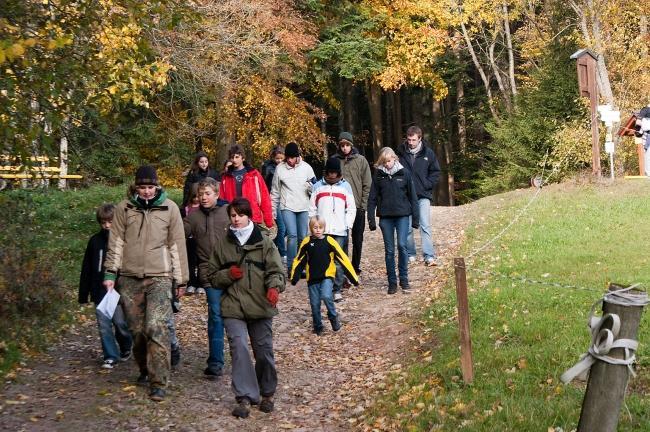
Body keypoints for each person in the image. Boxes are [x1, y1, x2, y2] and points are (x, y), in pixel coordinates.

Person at [103, 165, 188, 402]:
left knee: (156, 327)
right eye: (142, 187)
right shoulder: (124, 208)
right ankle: (144, 369)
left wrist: (181, 280)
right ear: (135, 187)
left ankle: (159, 381)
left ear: (157, 186)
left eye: (150, 187)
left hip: (160, 276)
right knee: (137, 331)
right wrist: (110, 273)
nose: (147, 192)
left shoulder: (170, 209)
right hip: (129, 278)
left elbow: (176, 245)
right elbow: (116, 243)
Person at [207, 198, 285, 418]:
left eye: (240, 215)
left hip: (261, 304)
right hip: (233, 305)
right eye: (232, 215)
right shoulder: (223, 244)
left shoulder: (264, 242)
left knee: (264, 351)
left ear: (248, 215)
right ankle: (244, 396)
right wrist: (227, 275)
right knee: (239, 348)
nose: (236, 219)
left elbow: (277, 272)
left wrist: (274, 289)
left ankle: (267, 391)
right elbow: (211, 276)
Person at [184, 177, 230, 380]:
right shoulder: (193, 218)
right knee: (216, 315)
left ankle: (240, 355)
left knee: (236, 316)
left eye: (207, 194)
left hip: (232, 272)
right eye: (200, 194)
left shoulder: (229, 212)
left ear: (217, 194)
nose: (203, 197)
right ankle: (216, 362)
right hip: (208, 273)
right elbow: (177, 235)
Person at [78, 203, 133, 369]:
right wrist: (83, 293)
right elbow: (87, 267)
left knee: (121, 323)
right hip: (99, 290)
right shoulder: (94, 241)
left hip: (119, 289)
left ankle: (126, 345)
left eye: (110, 222)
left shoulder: (125, 241)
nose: (107, 226)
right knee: (104, 325)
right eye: (103, 222)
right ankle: (110, 355)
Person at [290, 216, 358, 335]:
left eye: (320, 227)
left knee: (326, 296)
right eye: (315, 227)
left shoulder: (329, 241)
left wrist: (353, 278)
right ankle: (318, 326)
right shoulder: (306, 242)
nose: (317, 230)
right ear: (311, 228)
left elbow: (343, 258)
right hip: (312, 278)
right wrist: (294, 277)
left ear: (324, 228)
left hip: (327, 276)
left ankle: (333, 316)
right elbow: (299, 259)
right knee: (315, 304)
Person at [367, 147, 419, 294]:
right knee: (389, 250)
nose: (388, 164)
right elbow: (372, 198)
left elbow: (413, 197)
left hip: (402, 215)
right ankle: (392, 282)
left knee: (402, 245)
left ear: (394, 159)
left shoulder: (404, 173)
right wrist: (371, 219)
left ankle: (404, 278)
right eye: (384, 161)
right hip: (385, 218)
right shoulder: (378, 175)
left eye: (389, 161)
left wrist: (416, 219)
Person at [309, 157, 356, 302]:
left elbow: (351, 208)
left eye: (335, 172)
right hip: (322, 230)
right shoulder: (318, 186)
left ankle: (337, 289)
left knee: (338, 259)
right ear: (326, 172)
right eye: (329, 172)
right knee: (322, 259)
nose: (332, 175)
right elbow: (312, 209)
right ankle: (324, 286)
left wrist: (347, 224)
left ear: (338, 173)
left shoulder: (345, 187)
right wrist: (313, 226)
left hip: (340, 230)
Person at [396, 125, 441, 266]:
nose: (410, 142)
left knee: (425, 225)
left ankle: (429, 255)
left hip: (423, 196)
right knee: (407, 227)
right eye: (409, 139)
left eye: (413, 140)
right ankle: (411, 254)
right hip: (406, 196)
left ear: (420, 138)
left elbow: (436, 172)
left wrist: (426, 184)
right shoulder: (400, 152)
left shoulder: (429, 153)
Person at [270, 142, 316, 275]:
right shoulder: (280, 169)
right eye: (288, 157)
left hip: (303, 206)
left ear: (298, 156)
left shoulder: (307, 168)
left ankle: (301, 265)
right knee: (292, 236)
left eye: (292, 157)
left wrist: (310, 188)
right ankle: (291, 268)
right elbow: (275, 191)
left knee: (302, 237)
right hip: (287, 206)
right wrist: (273, 211)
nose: (290, 160)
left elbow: (316, 187)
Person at [334, 132, 372, 276]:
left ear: (351, 145)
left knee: (358, 238)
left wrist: (363, 205)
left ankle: (355, 266)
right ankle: (343, 268)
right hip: (338, 207)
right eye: (342, 145)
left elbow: (367, 184)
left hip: (357, 206)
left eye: (347, 145)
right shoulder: (334, 160)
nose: (344, 148)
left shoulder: (361, 160)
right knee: (342, 239)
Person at [220, 144, 274, 230]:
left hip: (252, 215)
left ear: (243, 158)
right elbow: (222, 200)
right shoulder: (226, 177)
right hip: (233, 217)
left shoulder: (254, 174)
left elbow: (264, 197)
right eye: (232, 157)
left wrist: (268, 220)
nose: (234, 160)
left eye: (237, 157)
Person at [261, 145, 287, 261]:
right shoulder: (267, 167)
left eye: (281, 158)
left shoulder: (286, 167)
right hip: (273, 199)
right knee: (281, 227)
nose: (279, 161)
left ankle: (272, 248)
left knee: (285, 229)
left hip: (285, 199)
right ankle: (282, 253)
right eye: (277, 159)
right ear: (273, 157)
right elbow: (265, 184)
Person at [184, 183, 202, 295]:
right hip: (190, 240)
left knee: (201, 262)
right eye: (194, 196)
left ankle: (200, 283)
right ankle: (191, 283)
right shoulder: (186, 208)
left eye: (198, 196)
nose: (196, 199)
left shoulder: (203, 208)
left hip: (201, 238)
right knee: (190, 262)